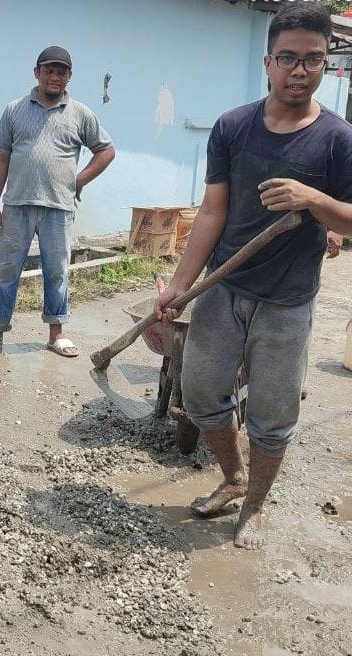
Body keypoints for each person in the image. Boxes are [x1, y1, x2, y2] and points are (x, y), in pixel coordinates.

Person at [154, 3, 352, 549]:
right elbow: (211, 213)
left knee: (273, 414)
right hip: (224, 289)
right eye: (287, 58)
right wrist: (178, 286)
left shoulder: (338, 139)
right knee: (199, 393)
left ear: (326, 64)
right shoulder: (234, 128)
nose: (298, 70)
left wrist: (314, 200)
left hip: (287, 302)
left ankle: (254, 509)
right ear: (268, 61)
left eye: (312, 59)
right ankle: (233, 477)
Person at [0, 46, 115, 357]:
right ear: (37, 72)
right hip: (17, 205)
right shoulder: (14, 110)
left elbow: (106, 150)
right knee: (7, 269)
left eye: (61, 72)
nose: (55, 77)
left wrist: (79, 180)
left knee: (57, 271)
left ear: (69, 77)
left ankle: (56, 334)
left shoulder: (80, 113)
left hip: (59, 207)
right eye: (49, 70)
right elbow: (1, 158)